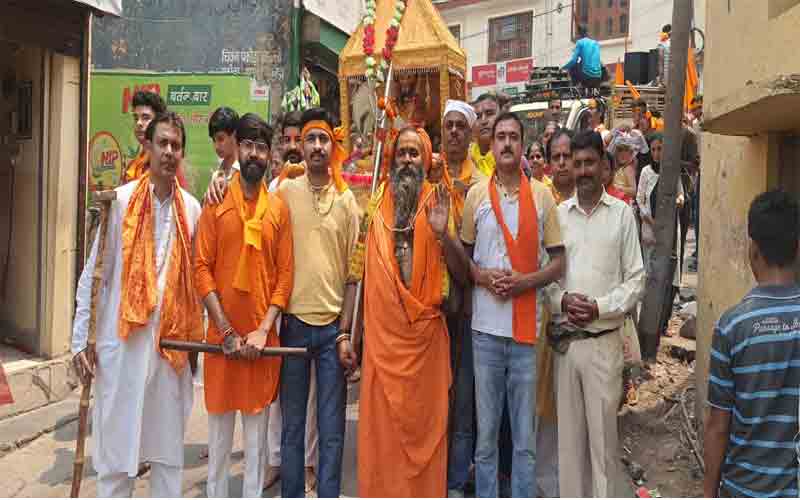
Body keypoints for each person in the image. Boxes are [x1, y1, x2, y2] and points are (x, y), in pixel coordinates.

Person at [71, 112, 203, 497]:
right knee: (117, 452)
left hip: (169, 350)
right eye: (161, 143)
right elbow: (95, 275)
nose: (168, 152)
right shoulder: (123, 202)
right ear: (147, 147)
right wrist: (81, 339)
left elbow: (197, 283)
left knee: (167, 455)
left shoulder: (192, 210)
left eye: (175, 145)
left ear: (182, 153)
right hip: (123, 344)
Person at [344, 127, 460, 497]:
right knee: (382, 444)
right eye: (402, 153)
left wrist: (444, 234)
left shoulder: (440, 203)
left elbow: (461, 275)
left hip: (425, 350)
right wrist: (347, 335)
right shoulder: (375, 209)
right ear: (392, 161)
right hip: (382, 349)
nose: (407, 160)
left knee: (427, 443)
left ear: (426, 161)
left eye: (414, 153)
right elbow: (356, 277)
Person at [460, 112, 565, 497]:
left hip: (524, 333)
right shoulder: (476, 195)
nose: (505, 143)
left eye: (513, 137)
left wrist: (525, 282)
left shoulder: (541, 196)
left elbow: (558, 262)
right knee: (486, 438)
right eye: (500, 136)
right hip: (486, 332)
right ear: (492, 144)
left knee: (524, 439)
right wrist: (484, 276)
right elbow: (464, 260)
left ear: (522, 145)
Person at [194, 113, 294, 498]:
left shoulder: (278, 211)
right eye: (248, 145)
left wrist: (262, 331)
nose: (254, 153)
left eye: (261, 147)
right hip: (222, 347)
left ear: (270, 156)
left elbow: (284, 279)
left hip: (259, 348)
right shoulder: (216, 202)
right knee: (218, 451)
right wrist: (227, 331)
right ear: (237, 149)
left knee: (255, 452)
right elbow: (200, 268)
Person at [547, 130, 644, 498]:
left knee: (603, 448)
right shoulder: (558, 216)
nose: (583, 170)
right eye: (578, 163)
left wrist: (599, 307)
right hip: (567, 348)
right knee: (569, 448)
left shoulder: (621, 215)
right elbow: (547, 281)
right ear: (569, 166)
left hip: (604, 346)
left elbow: (636, 280)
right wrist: (563, 301)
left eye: (590, 163)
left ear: (603, 167)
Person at [277, 108, 360, 499]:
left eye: (322, 139)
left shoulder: (346, 202)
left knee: (331, 429)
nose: (315, 146)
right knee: (292, 428)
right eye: (309, 139)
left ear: (333, 146)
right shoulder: (284, 192)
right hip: (291, 326)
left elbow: (352, 276)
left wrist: (346, 332)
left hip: (331, 333)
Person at [704, 190, 800, 498]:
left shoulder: (731, 326)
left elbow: (718, 426)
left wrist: (709, 492)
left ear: (752, 250)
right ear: (797, 248)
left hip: (743, 488)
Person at [439, 99, 483, 497]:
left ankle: (455, 480)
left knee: (465, 399)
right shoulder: (426, 177)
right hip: (432, 309)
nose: (453, 132)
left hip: (470, 308)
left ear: (470, 135)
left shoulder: (483, 185)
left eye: (460, 126)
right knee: (436, 398)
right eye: (448, 126)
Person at [121, 91, 190, 189]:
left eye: (145, 118)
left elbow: (178, 200)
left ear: (159, 122)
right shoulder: (132, 166)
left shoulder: (168, 163)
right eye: (136, 118)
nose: (139, 123)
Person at [471, 93, 501, 178]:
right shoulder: (466, 158)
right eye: (478, 116)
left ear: (500, 117)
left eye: (489, 113)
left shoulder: (512, 157)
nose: (484, 121)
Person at [208, 107, 240, 183]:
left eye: (220, 139)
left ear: (234, 135)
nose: (216, 146)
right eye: (214, 140)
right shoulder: (216, 174)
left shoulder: (245, 173)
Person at [548, 129, 576, 204]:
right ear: (549, 163)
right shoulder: (540, 196)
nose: (561, 162)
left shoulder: (588, 194)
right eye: (556, 157)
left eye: (567, 156)